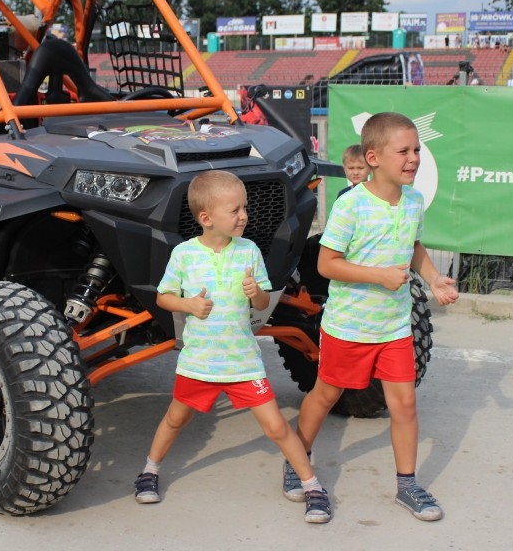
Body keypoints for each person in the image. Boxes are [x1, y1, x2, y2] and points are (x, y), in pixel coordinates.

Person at [282, 112, 459, 521]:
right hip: (349, 326)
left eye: (417, 150)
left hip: (394, 326)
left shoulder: (413, 200)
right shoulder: (352, 206)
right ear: (374, 157)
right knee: (325, 396)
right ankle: (296, 460)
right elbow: (326, 264)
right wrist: (378, 275)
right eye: (404, 151)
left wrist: (433, 280)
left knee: (405, 405)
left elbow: (414, 247)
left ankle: (408, 485)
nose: (414, 158)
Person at [134, 169, 331, 524]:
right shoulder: (184, 254)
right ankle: (149, 471)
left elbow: (260, 307)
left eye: (244, 208)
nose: (244, 216)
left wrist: (258, 295)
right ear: (206, 218)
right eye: (235, 210)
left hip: (243, 364)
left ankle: (313, 486)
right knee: (175, 419)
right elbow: (164, 298)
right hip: (199, 363)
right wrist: (188, 305)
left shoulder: (250, 251)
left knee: (276, 427)